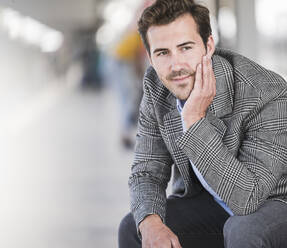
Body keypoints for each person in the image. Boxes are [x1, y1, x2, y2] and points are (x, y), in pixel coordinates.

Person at [118, 0, 287, 247]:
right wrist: (151, 223)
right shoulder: (156, 88)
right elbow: (146, 171)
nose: (176, 66)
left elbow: (248, 198)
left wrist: (194, 119)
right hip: (211, 202)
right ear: (151, 58)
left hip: (274, 202)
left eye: (185, 48)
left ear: (208, 46)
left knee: (243, 229)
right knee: (135, 226)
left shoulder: (266, 92)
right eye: (162, 52)